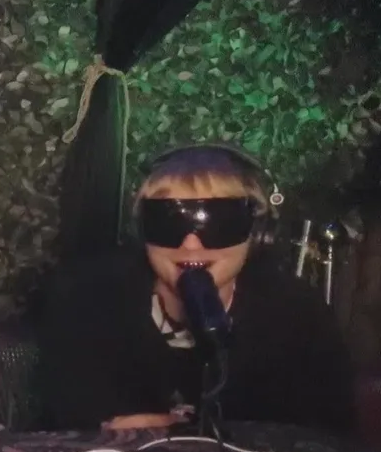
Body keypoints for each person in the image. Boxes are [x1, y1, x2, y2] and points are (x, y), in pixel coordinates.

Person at [36, 145, 355, 436]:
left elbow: (332, 438)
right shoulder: (86, 303)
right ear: (143, 232)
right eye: (169, 222)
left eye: (218, 222)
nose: (191, 244)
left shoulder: (299, 318)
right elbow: (62, 421)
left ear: (256, 234)